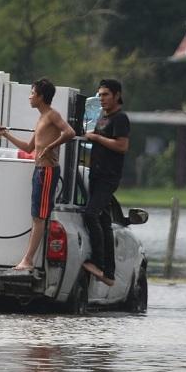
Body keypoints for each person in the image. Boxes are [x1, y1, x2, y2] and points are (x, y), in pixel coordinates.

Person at [0, 78, 75, 270]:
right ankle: (28, 259)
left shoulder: (52, 114)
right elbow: (29, 148)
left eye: (32, 93)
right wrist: (5, 133)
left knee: (39, 217)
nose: (29, 97)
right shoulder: (41, 117)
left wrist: (50, 147)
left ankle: (28, 260)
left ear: (41, 97)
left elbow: (70, 132)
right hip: (39, 171)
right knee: (37, 216)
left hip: (47, 171)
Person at [82, 79, 130, 287]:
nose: (101, 98)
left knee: (91, 214)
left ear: (117, 95)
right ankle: (108, 273)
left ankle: (99, 263)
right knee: (103, 221)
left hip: (108, 177)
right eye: (100, 95)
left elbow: (122, 146)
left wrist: (97, 139)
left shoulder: (120, 118)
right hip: (96, 173)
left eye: (106, 95)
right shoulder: (102, 116)